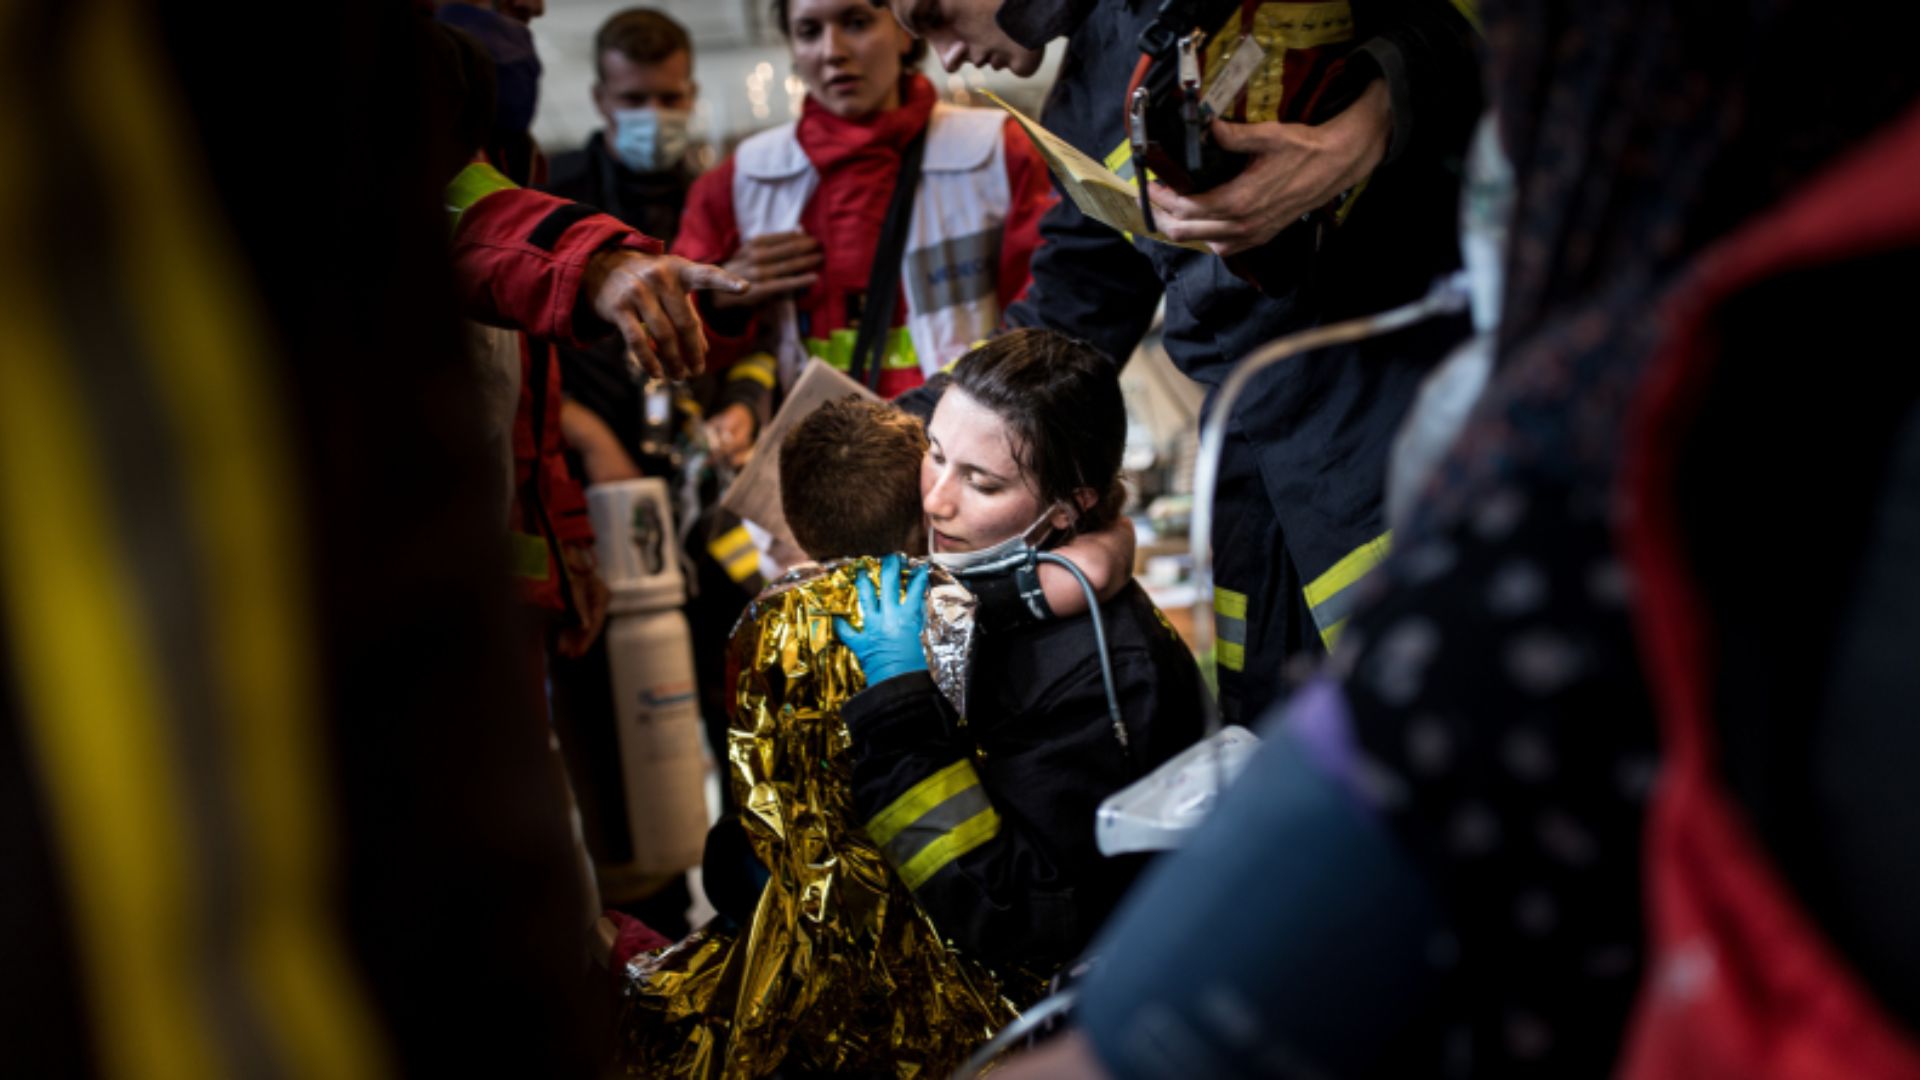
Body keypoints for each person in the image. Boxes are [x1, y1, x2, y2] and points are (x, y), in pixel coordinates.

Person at [887, 0, 1481, 726]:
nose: (944, 55)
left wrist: (1365, 124)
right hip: (1254, 466)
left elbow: (1487, 36)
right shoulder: (1086, 99)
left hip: (1403, 411)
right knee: (1273, 727)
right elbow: (1076, 303)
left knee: (1447, 717)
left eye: (936, 15)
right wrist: (889, 439)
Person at [834, 330, 1208, 974]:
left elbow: (1019, 916)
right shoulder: (976, 565)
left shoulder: (1102, 675)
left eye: (981, 483)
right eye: (935, 453)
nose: (935, 499)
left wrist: (898, 716)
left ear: (1068, 509)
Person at [672, 0, 1054, 403]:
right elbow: (674, 340)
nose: (831, 50)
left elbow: (1051, 318)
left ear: (906, 30)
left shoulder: (997, 153)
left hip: (960, 446)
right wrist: (719, 304)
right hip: (819, 451)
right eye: (808, 32)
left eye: (856, 22)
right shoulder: (743, 179)